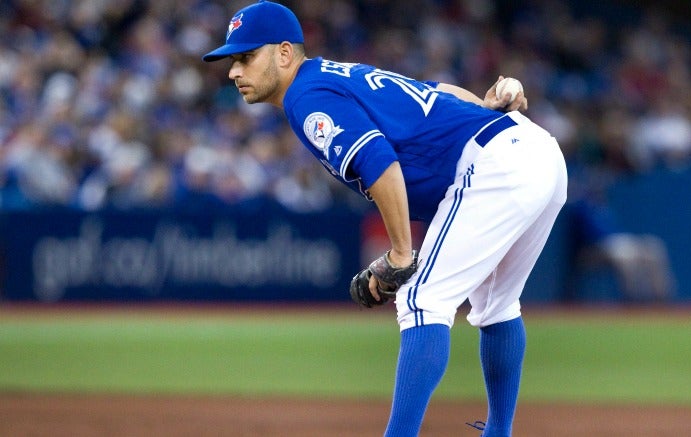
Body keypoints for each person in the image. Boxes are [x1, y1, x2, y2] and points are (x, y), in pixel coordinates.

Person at [202, 2, 567, 436]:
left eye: (245, 57)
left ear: (284, 53)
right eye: (232, 61)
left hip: (499, 164)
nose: (234, 71)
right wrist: (482, 105)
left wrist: (399, 254)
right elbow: (441, 92)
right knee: (497, 304)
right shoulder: (336, 73)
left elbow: (380, 164)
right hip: (536, 149)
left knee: (420, 301)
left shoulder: (306, 95)